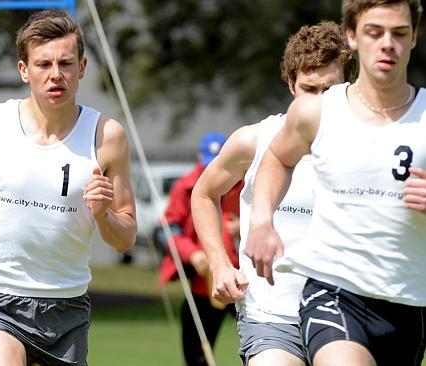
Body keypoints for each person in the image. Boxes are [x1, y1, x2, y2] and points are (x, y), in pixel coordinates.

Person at [0, 10, 137, 366]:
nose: (55, 74)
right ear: (24, 70)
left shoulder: (107, 137)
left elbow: (125, 236)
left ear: (83, 67)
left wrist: (103, 215)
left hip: (66, 308)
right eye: (43, 64)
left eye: (65, 63)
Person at [245, 1, 426, 365]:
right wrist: (262, 221)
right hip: (334, 293)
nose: (387, 43)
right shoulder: (317, 111)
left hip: (409, 300)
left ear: (414, 38)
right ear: (352, 36)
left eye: (399, 33)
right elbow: (277, 158)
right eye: (374, 32)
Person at [191, 21, 355, 366]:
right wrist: (220, 265)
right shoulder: (255, 140)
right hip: (271, 316)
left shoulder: (370, 146)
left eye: (330, 89)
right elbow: (204, 194)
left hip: (348, 316)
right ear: (291, 83)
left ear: (349, 85)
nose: (319, 102)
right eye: (309, 89)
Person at [156, 132, 243, 366]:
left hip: (244, 279)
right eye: (207, 163)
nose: (210, 170)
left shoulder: (245, 185)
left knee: (263, 342)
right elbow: (166, 229)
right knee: (196, 355)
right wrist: (191, 253)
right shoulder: (185, 186)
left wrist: (242, 229)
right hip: (202, 283)